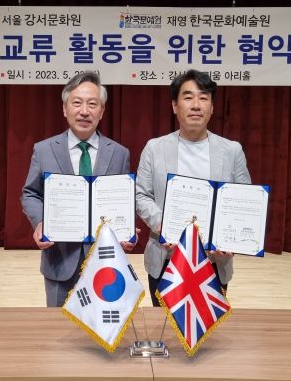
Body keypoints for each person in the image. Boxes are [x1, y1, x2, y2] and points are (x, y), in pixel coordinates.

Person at [136, 69, 251, 306]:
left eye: (203, 98)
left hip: (213, 259)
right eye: (188, 97)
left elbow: (244, 200)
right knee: (164, 325)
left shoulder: (232, 151)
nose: (196, 105)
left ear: (212, 107)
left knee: (207, 324)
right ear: (175, 106)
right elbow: (141, 195)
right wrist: (164, 225)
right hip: (166, 257)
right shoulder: (154, 148)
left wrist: (230, 237)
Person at [21, 71, 136, 307]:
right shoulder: (44, 150)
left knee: (102, 324)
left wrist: (126, 231)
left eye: (92, 104)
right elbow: (30, 193)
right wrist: (40, 222)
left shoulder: (119, 153)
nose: (84, 111)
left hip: (105, 263)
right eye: (77, 103)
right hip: (59, 260)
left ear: (102, 111)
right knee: (57, 324)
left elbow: (123, 200)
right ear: (65, 109)